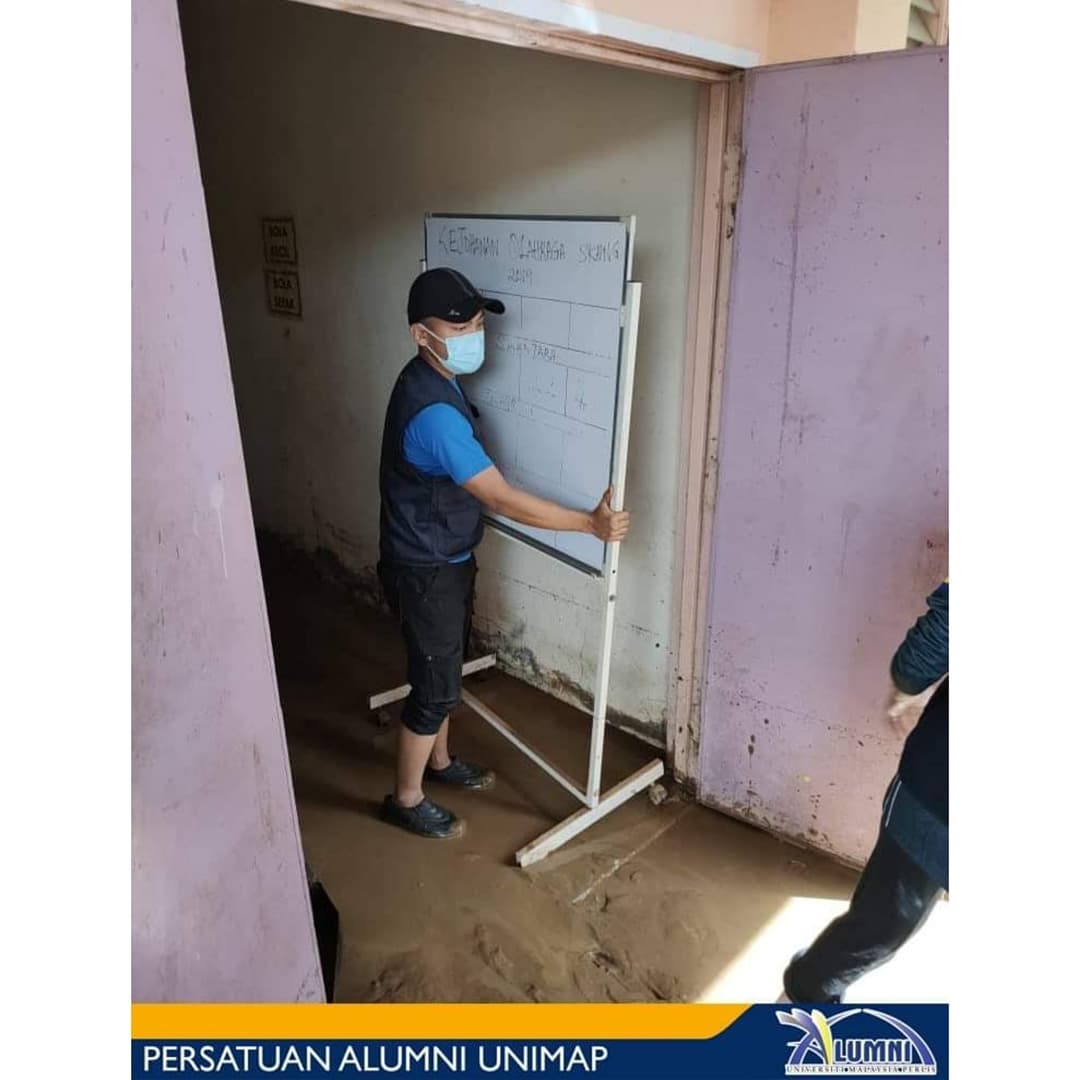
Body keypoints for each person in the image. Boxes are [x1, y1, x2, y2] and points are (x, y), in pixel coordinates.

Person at [377, 267, 630, 839]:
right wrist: (589, 524)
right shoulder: (434, 415)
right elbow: (499, 497)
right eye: (458, 327)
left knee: (444, 669)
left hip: (442, 557)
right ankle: (406, 798)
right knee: (434, 687)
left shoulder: (430, 377)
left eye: (477, 324)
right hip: (424, 568)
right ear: (421, 334)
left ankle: (440, 763)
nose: (473, 335)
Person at [781, 580, 948, 1002]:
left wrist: (907, 682)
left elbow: (940, 633)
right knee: (885, 921)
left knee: (885, 922)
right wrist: (909, 680)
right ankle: (804, 998)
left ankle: (805, 996)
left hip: (937, 791)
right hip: (939, 795)